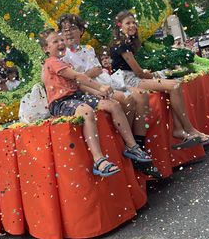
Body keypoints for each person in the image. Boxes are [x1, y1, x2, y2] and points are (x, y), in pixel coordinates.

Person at [39, 29, 162, 178]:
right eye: (55, 41)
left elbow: (76, 85)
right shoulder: (52, 62)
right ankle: (99, 159)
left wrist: (96, 93)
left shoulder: (62, 62)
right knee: (86, 111)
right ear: (46, 49)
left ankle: (132, 146)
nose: (61, 43)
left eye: (61, 40)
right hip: (61, 102)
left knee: (113, 104)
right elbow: (78, 77)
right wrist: (100, 87)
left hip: (76, 96)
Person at [110, 10, 209, 148]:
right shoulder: (121, 43)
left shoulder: (126, 42)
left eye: (133, 22)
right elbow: (138, 72)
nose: (132, 25)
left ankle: (179, 129)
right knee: (174, 86)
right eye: (128, 23)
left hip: (132, 77)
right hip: (127, 80)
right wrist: (153, 75)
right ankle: (189, 129)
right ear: (119, 26)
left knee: (175, 85)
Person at [57, 13, 151, 154]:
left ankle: (135, 140)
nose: (68, 32)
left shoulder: (88, 49)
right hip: (85, 90)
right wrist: (88, 75)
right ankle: (128, 142)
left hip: (102, 83)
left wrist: (88, 74)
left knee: (136, 96)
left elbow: (98, 70)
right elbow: (75, 80)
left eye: (72, 28)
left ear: (81, 31)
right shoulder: (62, 56)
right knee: (124, 98)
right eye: (64, 30)